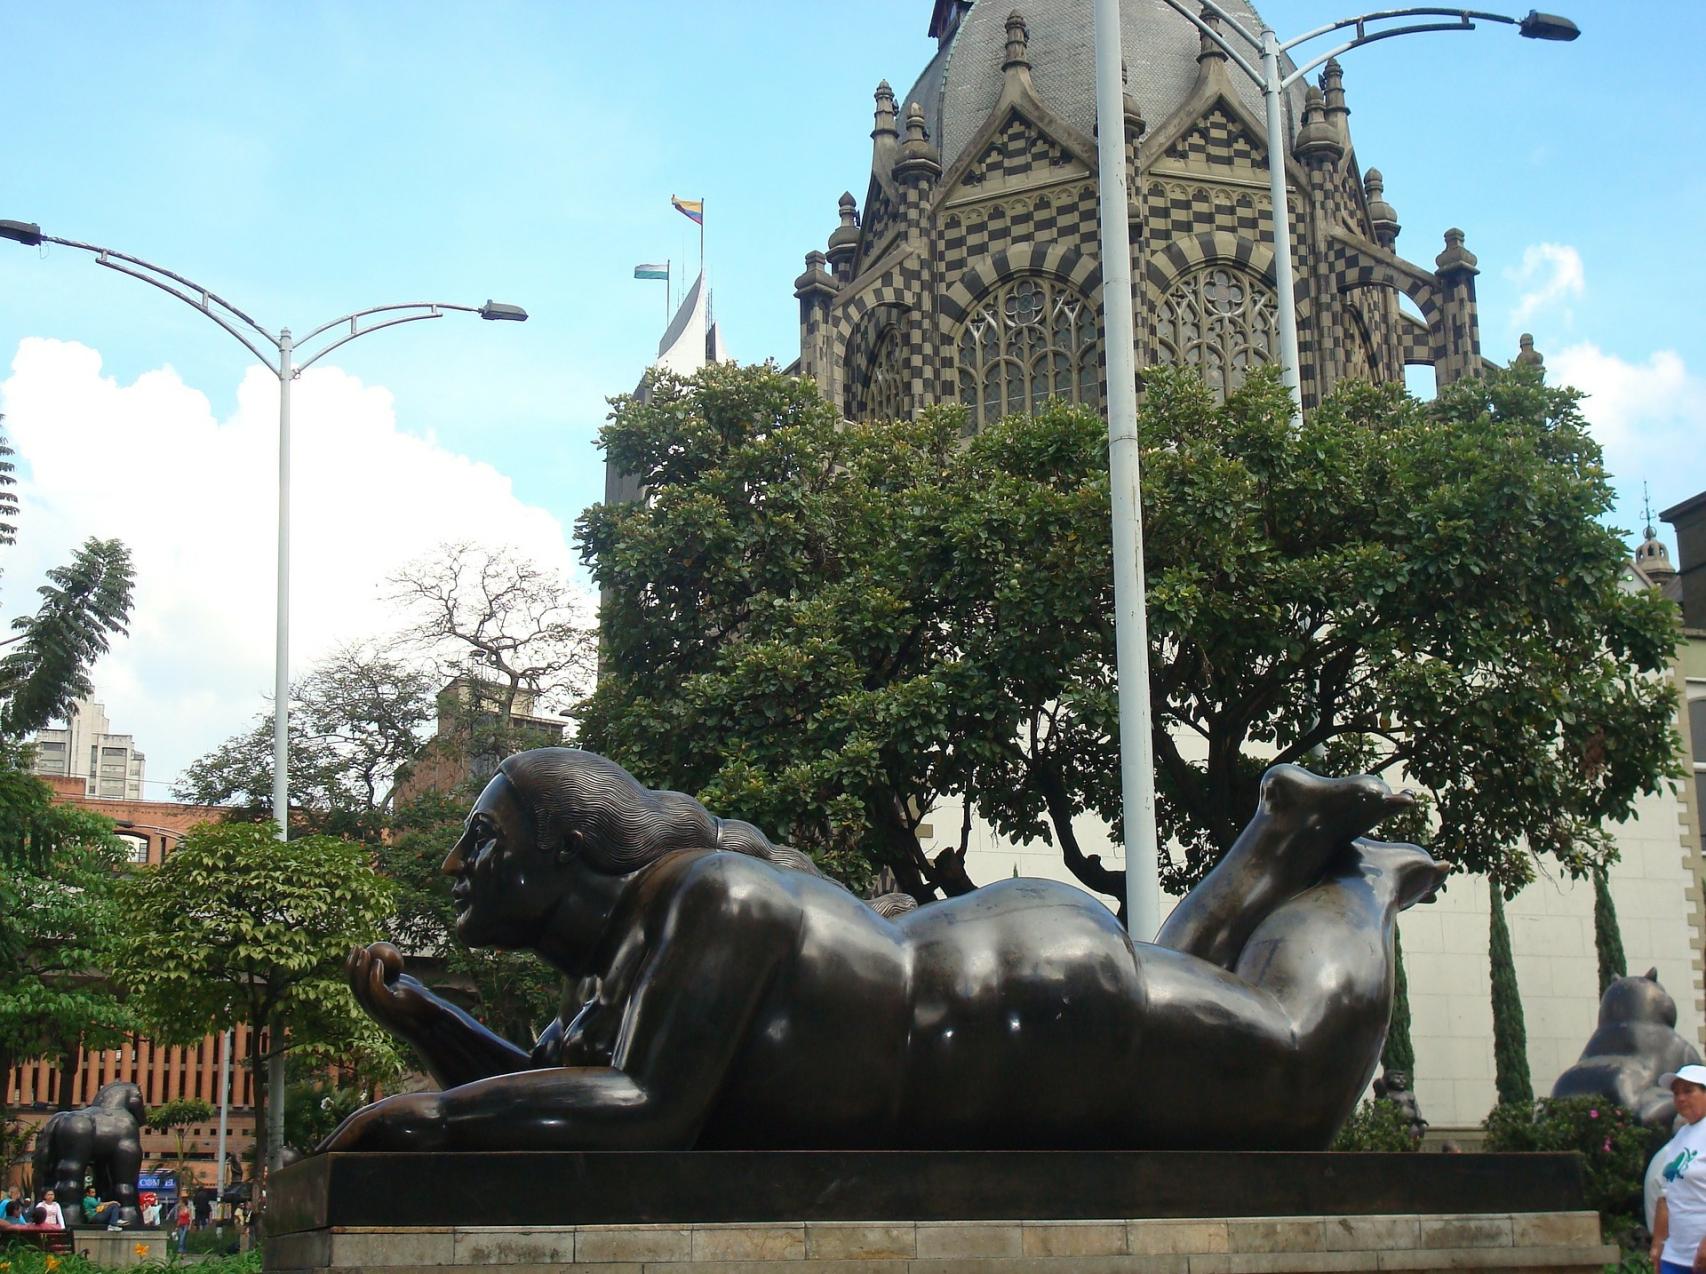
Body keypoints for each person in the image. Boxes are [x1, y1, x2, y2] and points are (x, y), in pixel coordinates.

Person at [324, 749, 1444, 1154]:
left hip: (1026, 998)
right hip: (1015, 1011)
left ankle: (1360, 880)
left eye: (481, 842)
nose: (453, 867)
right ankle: (1282, 827)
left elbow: (643, 1112)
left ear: (565, 849)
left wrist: (431, 1116)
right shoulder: (624, 966)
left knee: (1292, 1074)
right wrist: (426, 1024)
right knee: (1181, 996)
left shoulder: (706, 898)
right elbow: (562, 1103)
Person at [1649, 1063, 1706, 1274]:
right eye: (1676, 1093)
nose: (1680, 1098)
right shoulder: (1681, 1136)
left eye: (1689, 1091)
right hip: (1675, 1256)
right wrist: (1658, 1244)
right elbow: (1666, 1196)